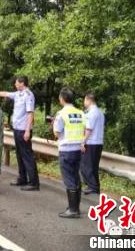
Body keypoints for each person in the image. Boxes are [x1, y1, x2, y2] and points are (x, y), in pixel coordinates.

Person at [0, 76, 40, 191]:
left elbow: (30, 114)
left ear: (22, 83)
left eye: (16, 83)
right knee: (19, 155)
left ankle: (34, 183)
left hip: (24, 129)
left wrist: (28, 130)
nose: (15, 84)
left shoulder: (28, 95)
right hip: (17, 129)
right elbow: (6, 94)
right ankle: (22, 178)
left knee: (27, 156)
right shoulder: (18, 94)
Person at [53, 87, 86, 218]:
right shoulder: (80, 113)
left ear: (62, 98)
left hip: (66, 150)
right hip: (78, 149)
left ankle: (73, 210)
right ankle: (75, 206)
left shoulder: (61, 114)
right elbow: (85, 129)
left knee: (69, 179)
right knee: (76, 177)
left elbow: (56, 133)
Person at [80, 92, 105, 195]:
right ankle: (95, 186)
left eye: (85, 100)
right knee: (93, 165)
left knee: (86, 165)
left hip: (91, 142)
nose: (84, 102)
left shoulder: (91, 113)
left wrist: (83, 142)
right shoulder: (100, 112)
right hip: (98, 142)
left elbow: (88, 129)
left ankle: (92, 186)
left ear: (89, 100)